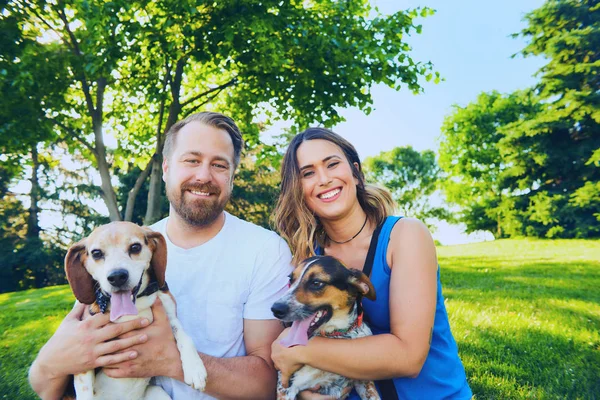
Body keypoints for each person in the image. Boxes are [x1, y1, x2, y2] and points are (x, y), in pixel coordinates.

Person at [29, 111, 293, 400]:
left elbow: (269, 384)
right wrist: (50, 363)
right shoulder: (123, 252)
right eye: (191, 160)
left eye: (219, 165)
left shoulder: (265, 249)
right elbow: (45, 383)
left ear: (232, 176)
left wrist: (170, 360)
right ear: (166, 168)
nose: (203, 175)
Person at [270, 127, 472, 399]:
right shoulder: (307, 258)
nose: (324, 179)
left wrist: (295, 351)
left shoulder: (405, 236)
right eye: (308, 173)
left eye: (332, 164)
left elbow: (408, 357)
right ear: (298, 188)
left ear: (355, 172)